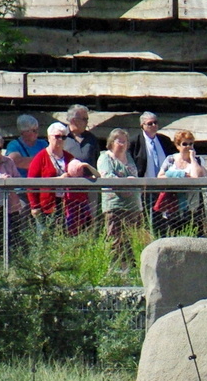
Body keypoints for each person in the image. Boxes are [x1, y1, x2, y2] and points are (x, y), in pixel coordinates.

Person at [96, 128, 143, 268]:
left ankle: (133, 269)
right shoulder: (106, 157)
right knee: (116, 239)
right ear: (111, 142)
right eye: (119, 141)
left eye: (125, 141)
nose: (122, 144)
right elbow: (107, 176)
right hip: (115, 206)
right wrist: (125, 185)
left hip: (134, 206)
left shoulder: (129, 157)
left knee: (134, 239)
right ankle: (114, 269)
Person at [128, 111, 176, 225]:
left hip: (164, 186)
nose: (154, 126)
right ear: (142, 126)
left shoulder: (165, 140)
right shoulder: (135, 142)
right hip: (145, 187)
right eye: (150, 123)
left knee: (165, 218)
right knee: (147, 217)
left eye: (155, 123)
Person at [27, 122, 75, 234]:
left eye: (63, 137)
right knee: (45, 238)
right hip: (46, 206)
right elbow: (31, 182)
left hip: (66, 205)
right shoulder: (40, 157)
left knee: (64, 237)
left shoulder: (69, 157)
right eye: (57, 136)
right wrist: (34, 206)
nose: (60, 139)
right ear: (49, 137)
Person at [157, 129, 207, 235]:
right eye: (185, 144)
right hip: (173, 204)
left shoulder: (198, 160)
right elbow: (160, 176)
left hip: (192, 205)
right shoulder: (170, 159)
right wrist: (179, 175)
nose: (188, 146)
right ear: (178, 145)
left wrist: (192, 159)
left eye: (191, 144)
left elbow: (196, 177)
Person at [61, 104, 100, 234]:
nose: (87, 122)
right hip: (69, 188)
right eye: (84, 119)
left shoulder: (91, 139)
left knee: (90, 221)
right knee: (70, 222)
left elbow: (97, 160)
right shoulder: (62, 137)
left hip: (90, 187)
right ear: (73, 120)